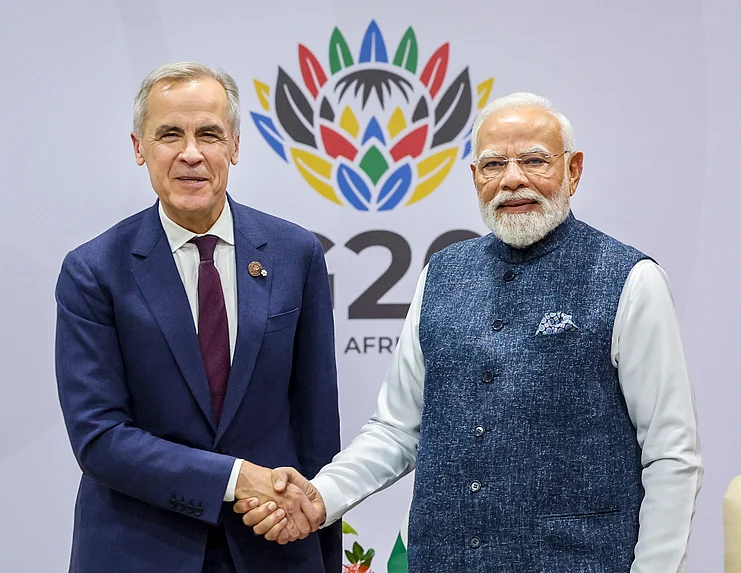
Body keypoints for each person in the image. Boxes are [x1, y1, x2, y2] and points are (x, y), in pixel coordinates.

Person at [236, 92, 703, 572]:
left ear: (574, 170)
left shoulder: (630, 278)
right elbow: (397, 429)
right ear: (475, 177)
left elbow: (671, 455)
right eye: (494, 164)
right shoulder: (441, 274)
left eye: (535, 161)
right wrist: (320, 497)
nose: (513, 179)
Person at [55, 62, 340, 573]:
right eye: (170, 134)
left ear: (234, 145)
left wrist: (322, 552)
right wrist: (233, 479)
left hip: (274, 549)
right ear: (139, 148)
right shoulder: (93, 270)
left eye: (208, 133)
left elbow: (316, 427)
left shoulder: (295, 253)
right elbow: (99, 437)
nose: (191, 153)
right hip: (139, 550)